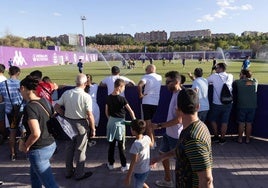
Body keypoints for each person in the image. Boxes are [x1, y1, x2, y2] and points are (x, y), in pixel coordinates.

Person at [151, 88, 214, 188]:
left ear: (177, 110)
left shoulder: (193, 139)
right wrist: (161, 157)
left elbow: (207, 179)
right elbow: (182, 149)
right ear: (198, 107)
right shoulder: (194, 129)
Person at [19, 75, 58, 188]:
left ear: (23, 88)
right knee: (35, 177)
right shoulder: (44, 101)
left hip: (39, 149)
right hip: (50, 144)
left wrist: (26, 146)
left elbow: (36, 133)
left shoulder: (30, 107)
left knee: (50, 184)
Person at [54, 73, 95, 180]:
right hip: (81, 123)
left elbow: (57, 106)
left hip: (68, 123)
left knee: (69, 148)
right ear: (85, 83)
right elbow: (90, 115)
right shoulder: (86, 96)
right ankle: (79, 173)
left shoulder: (67, 93)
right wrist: (93, 129)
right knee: (81, 149)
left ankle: (68, 171)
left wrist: (64, 114)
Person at [152, 71, 183, 187]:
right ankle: (168, 180)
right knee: (162, 154)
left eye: (168, 82)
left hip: (176, 135)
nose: (166, 84)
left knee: (179, 162)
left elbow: (178, 120)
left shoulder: (180, 96)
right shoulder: (175, 93)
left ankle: (180, 183)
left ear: (176, 82)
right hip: (169, 133)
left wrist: (159, 126)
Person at [105, 78, 136, 172]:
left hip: (111, 123)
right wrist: (134, 122)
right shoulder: (122, 99)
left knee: (111, 144)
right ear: (119, 87)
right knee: (121, 146)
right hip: (120, 125)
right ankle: (123, 165)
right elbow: (131, 111)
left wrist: (111, 119)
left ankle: (110, 164)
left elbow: (106, 112)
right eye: (123, 87)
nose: (123, 89)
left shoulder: (108, 97)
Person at [0, 66, 24, 161]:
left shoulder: (2, 84)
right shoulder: (21, 84)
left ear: (9, 73)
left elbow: (1, 99)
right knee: (23, 131)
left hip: (11, 113)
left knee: (12, 132)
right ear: (18, 73)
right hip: (21, 111)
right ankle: (26, 152)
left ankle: (13, 154)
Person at [207, 62, 233, 145]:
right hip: (228, 102)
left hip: (216, 103)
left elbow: (206, 81)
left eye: (217, 68)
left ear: (221, 68)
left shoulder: (214, 76)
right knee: (224, 122)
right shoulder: (230, 76)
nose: (216, 69)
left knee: (212, 119)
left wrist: (212, 72)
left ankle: (216, 136)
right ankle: (222, 139)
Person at [137, 64, 162, 148]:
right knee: (150, 123)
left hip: (147, 101)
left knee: (147, 124)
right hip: (155, 102)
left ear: (148, 70)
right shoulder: (159, 77)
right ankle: (153, 141)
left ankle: (152, 144)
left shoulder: (146, 76)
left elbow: (139, 85)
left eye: (146, 69)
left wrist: (140, 94)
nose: (145, 71)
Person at [125, 119, 153, 188]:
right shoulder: (147, 138)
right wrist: (151, 133)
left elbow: (134, 161)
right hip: (146, 168)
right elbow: (152, 144)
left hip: (139, 171)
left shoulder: (135, 145)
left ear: (133, 131)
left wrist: (128, 176)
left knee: (139, 184)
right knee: (141, 182)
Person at [232, 69, 258, 144]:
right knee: (249, 123)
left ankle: (240, 139)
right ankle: (247, 139)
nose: (239, 75)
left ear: (243, 75)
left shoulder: (238, 82)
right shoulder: (254, 81)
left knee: (241, 123)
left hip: (242, 105)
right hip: (252, 106)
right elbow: (249, 82)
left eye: (240, 74)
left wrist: (241, 78)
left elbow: (235, 82)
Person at [85, 74, 100, 147]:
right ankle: (90, 140)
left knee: (86, 124)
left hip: (85, 107)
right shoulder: (95, 86)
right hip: (94, 107)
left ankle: (87, 140)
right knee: (92, 124)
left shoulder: (82, 88)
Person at [0, 64, 7, 143]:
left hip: (1, 103)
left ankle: (3, 135)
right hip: (5, 102)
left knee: (1, 120)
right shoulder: (4, 78)